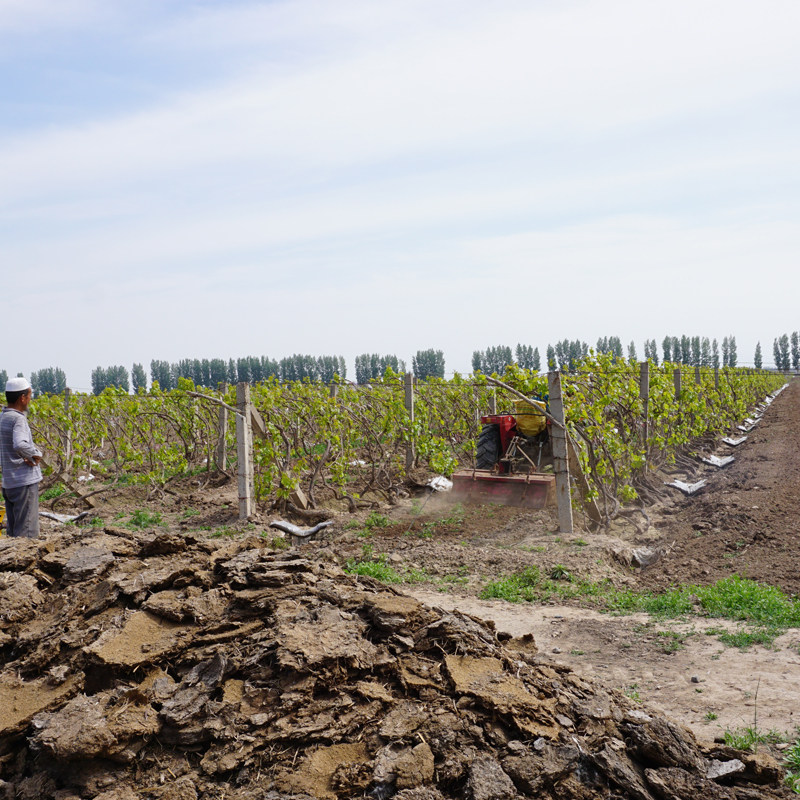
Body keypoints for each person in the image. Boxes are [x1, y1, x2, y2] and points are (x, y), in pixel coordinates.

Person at [0, 377, 43, 538]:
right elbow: (19, 444)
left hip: (9, 484)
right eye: (30, 396)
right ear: (22, 398)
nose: (30, 400)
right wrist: (36, 454)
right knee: (27, 536)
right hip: (23, 483)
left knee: (13, 533)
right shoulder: (18, 419)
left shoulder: (2, 417)